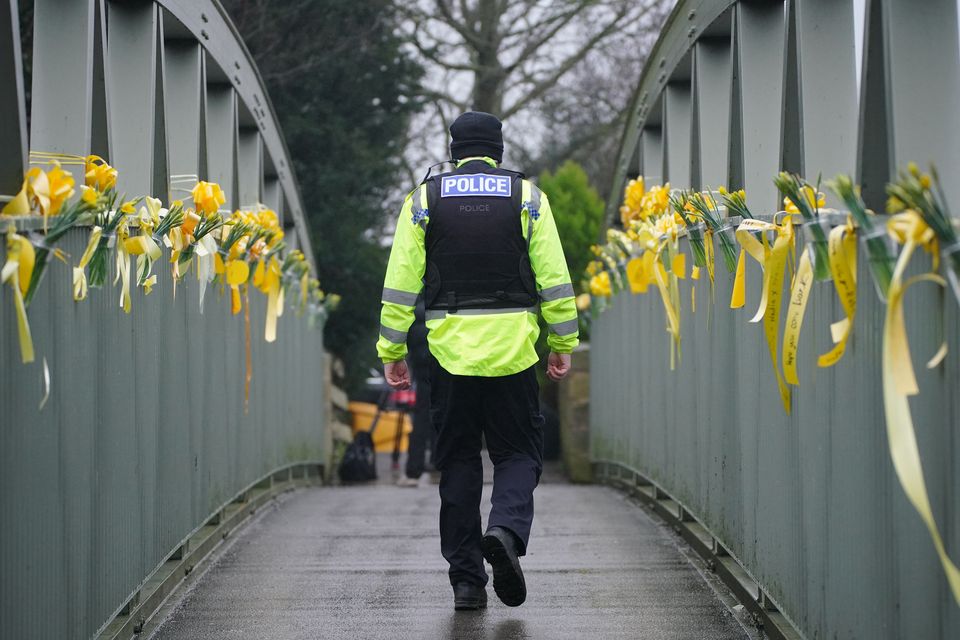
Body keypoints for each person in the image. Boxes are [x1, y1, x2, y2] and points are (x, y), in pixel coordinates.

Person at [376, 111, 578, 610]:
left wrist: (393, 349)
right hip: (512, 350)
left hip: (450, 351)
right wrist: (562, 342)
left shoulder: (424, 199)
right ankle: (505, 532)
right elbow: (553, 275)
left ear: (454, 149)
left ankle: (467, 581)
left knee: (459, 463)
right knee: (519, 455)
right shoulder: (527, 197)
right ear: (499, 149)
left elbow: (401, 282)